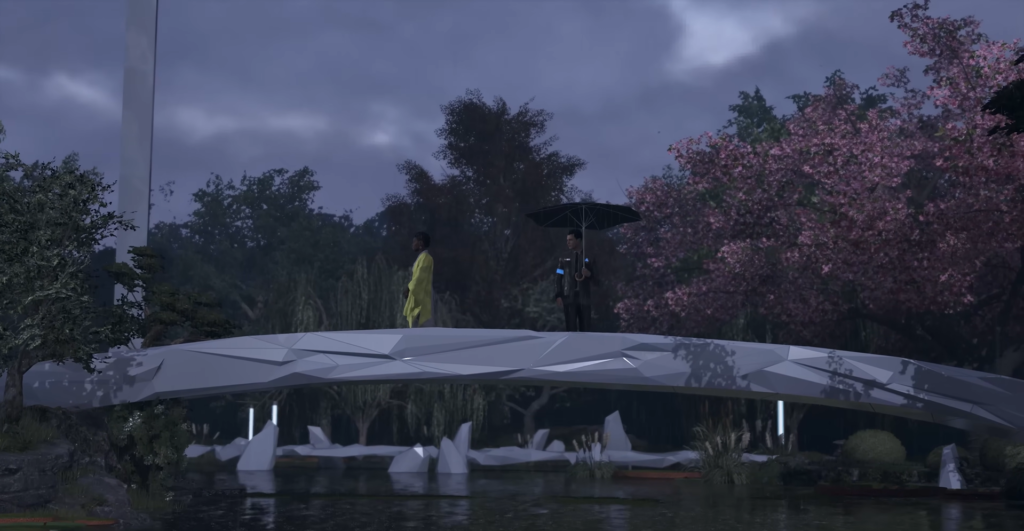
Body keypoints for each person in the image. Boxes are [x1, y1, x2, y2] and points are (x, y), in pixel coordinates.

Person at [554, 228, 598, 331]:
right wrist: (558, 294)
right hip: (569, 297)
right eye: (567, 240)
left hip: (584, 298)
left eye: (571, 240)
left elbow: (597, 280)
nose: (568, 242)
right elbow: (558, 277)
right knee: (570, 328)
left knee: (586, 329)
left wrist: (589, 274)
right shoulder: (564, 258)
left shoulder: (589, 257)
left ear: (578, 240)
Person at [403, 232, 434, 328]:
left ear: (421, 243)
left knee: (422, 324)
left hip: (422, 295)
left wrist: (409, 288)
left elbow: (420, 278)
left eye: (414, 242)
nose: (413, 244)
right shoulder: (422, 258)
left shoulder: (426, 258)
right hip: (417, 294)